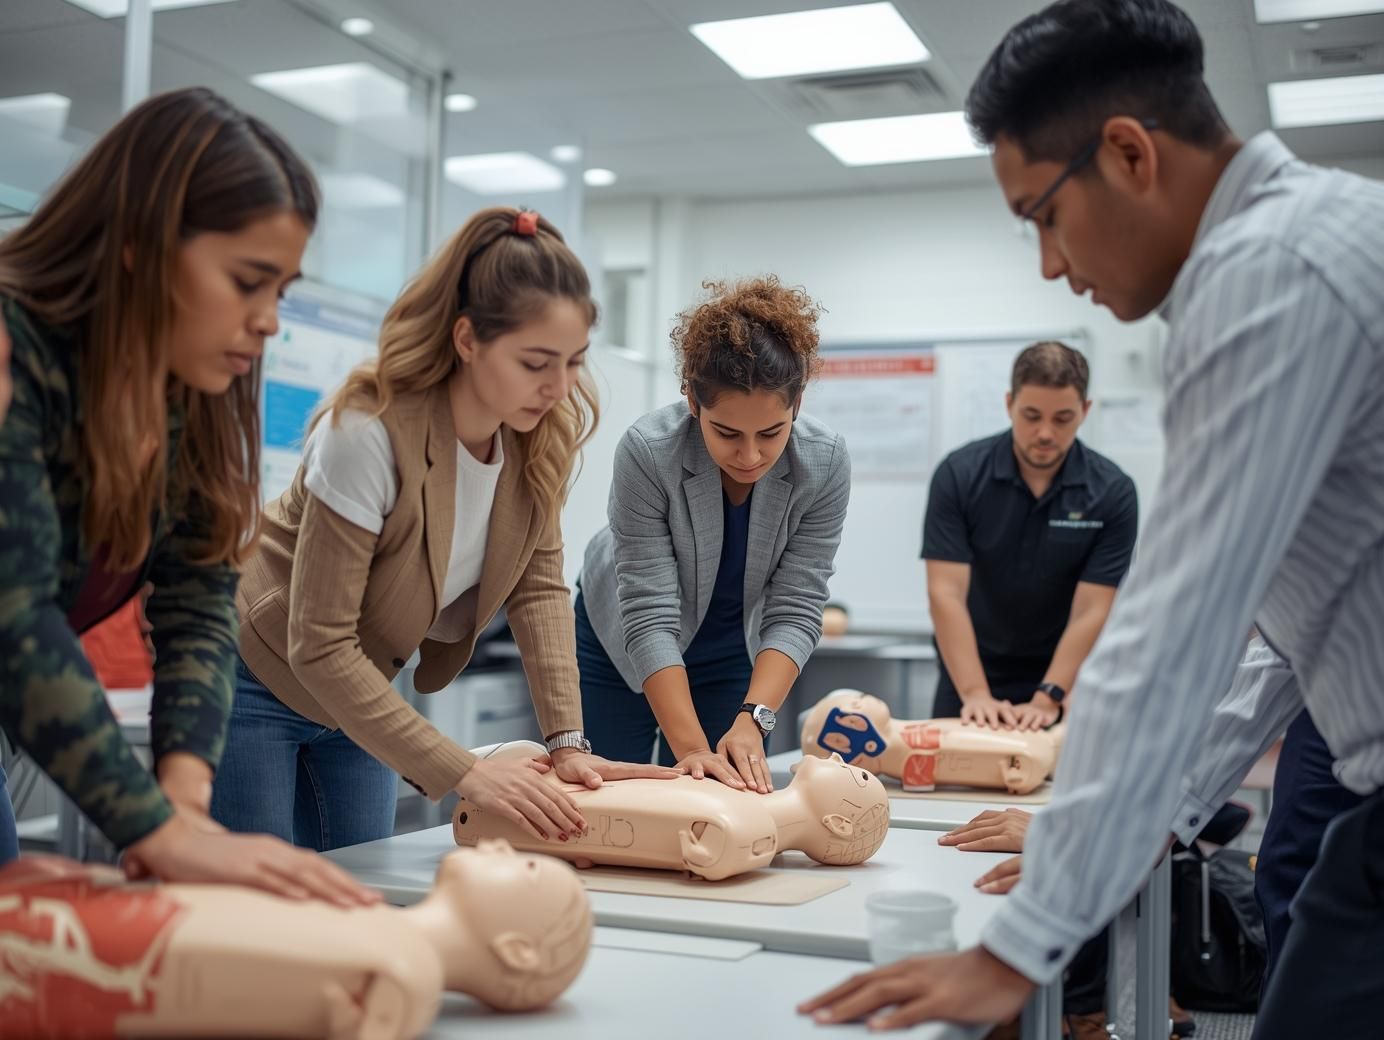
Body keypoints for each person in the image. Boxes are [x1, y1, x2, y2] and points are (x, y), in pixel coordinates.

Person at [801, 1, 1384, 1035]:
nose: (1049, 264)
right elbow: (1275, 638)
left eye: (1042, 215)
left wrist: (1022, 940)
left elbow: (1169, 631)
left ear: (1126, 154)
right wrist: (1134, 824)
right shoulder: (1313, 239)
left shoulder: (1264, 275)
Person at [0, 87, 373, 905]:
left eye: (280, 290)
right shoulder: (10, 351)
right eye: (248, 282)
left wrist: (184, 800)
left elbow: (199, 597)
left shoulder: (185, 397)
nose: (269, 321)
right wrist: (153, 830)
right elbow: (13, 611)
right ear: (138, 246)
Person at [211, 206, 676, 852]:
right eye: (535, 362)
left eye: (573, 362)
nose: (558, 387)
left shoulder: (533, 437)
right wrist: (468, 772)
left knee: (361, 887)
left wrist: (568, 744)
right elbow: (316, 643)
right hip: (256, 676)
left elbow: (538, 590)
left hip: (358, 689)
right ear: (467, 340)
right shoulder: (366, 433)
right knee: (255, 911)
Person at [576, 276, 851, 794]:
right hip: (619, 638)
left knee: (729, 797)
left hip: (728, 647)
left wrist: (755, 719)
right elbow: (649, 614)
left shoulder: (825, 461)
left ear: (797, 403)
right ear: (692, 401)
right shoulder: (648, 452)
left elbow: (796, 607)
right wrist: (694, 752)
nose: (750, 457)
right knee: (615, 805)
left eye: (771, 433)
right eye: (727, 433)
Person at [925, 341, 1136, 731]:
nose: (1044, 433)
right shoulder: (959, 475)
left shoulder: (1112, 492)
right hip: (968, 677)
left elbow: (1092, 609)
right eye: (1031, 415)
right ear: (1009, 404)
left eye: (1062, 419)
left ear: (1085, 412)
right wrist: (975, 694)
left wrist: (1048, 696)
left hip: (1062, 682)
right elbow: (945, 592)